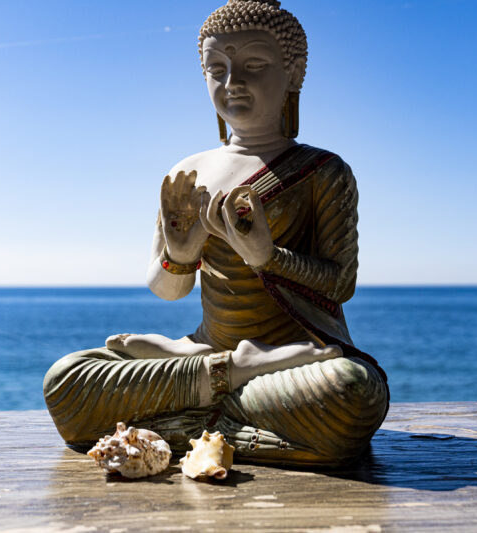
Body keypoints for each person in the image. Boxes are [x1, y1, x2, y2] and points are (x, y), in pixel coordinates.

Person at [43, 0, 389, 466]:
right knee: (66, 379)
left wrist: (267, 257)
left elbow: (340, 283)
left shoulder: (323, 172)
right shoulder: (187, 172)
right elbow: (167, 288)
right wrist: (181, 255)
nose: (233, 83)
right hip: (208, 352)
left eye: (254, 65)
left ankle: (181, 421)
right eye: (217, 69)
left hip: (293, 357)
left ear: (293, 73)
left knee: (352, 391)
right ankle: (230, 382)